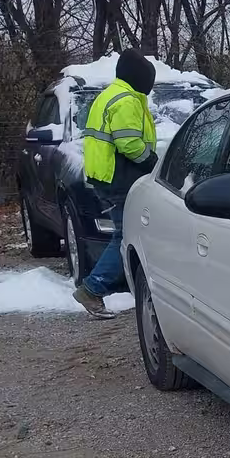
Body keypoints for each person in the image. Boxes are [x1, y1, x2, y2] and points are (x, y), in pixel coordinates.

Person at [72, 50, 159, 319]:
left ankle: (110, 286)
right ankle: (93, 289)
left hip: (107, 176)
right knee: (125, 236)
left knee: (126, 234)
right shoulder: (126, 100)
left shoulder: (110, 94)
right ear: (140, 78)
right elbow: (129, 143)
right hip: (119, 177)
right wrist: (152, 162)